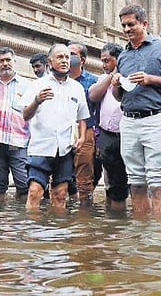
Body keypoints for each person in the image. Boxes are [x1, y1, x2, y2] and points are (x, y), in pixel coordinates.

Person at [111, 4, 161, 216]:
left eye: (131, 24)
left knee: (158, 183)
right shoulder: (123, 56)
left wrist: (150, 79)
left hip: (156, 119)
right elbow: (119, 97)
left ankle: (160, 241)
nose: (127, 29)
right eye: (124, 25)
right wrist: (115, 84)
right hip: (128, 121)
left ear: (144, 24)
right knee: (135, 182)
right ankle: (140, 238)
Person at [21, 44, 90, 211]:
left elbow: (82, 117)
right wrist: (37, 101)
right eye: (60, 57)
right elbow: (25, 115)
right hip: (40, 147)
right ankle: (32, 233)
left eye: (67, 57)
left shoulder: (77, 88)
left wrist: (81, 137)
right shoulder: (37, 85)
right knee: (35, 192)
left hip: (65, 149)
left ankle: (58, 233)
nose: (65, 61)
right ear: (50, 63)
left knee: (60, 194)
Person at [0, 47, 31, 201]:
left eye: (8, 60)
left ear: (14, 62)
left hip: (20, 143)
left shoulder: (27, 86)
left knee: (24, 186)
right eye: (1, 61)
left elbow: (35, 115)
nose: (5, 64)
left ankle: (22, 222)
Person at [89, 43, 129, 211]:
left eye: (108, 60)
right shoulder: (102, 79)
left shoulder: (129, 77)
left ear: (118, 59)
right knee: (114, 182)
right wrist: (110, 76)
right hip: (107, 136)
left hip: (128, 135)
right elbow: (93, 96)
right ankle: (116, 224)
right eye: (102, 61)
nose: (104, 64)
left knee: (135, 180)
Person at [67, 41, 99, 205]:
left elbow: (99, 109)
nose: (68, 57)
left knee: (84, 171)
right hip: (62, 129)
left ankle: (85, 212)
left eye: (72, 54)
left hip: (85, 131)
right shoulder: (57, 80)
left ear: (83, 60)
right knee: (59, 171)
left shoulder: (93, 81)